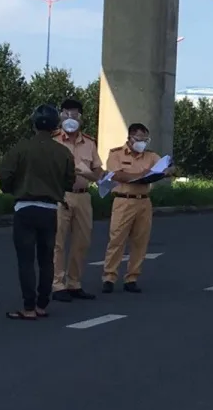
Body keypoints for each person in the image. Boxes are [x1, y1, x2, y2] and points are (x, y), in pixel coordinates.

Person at [0, 105, 75, 320]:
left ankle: (28, 307)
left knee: (26, 260)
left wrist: (13, 189)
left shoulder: (21, 148)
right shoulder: (63, 152)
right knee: (46, 259)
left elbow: (4, 174)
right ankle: (42, 304)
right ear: (55, 127)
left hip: (25, 208)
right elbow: (70, 181)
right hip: (50, 210)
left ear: (33, 124)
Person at [101, 123, 174, 293]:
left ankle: (132, 277)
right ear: (130, 138)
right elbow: (118, 175)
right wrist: (142, 175)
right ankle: (109, 277)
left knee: (140, 241)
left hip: (143, 201)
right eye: (138, 139)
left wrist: (169, 170)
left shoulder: (150, 156)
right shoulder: (116, 154)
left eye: (145, 139)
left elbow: (165, 166)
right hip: (123, 200)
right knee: (116, 239)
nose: (142, 143)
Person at [50, 98, 104, 302]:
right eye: (66, 113)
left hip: (83, 195)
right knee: (58, 242)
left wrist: (96, 174)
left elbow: (98, 169)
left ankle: (74, 283)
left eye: (74, 114)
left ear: (81, 118)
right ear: (60, 115)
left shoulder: (89, 143)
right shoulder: (53, 140)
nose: (70, 118)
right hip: (60, 195)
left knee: (82, 242)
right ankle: (57, 284)